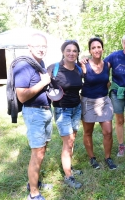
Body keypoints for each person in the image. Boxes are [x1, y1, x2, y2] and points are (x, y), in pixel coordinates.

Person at [13, 33, 51, 200]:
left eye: (44, 46)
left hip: (45, 111)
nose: (41, 49)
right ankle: (34, 194)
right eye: (37, 46)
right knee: (38, 153)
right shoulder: (23, 65)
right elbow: (21, 96)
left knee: (42, 150)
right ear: (29, 47)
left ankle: (34, 183)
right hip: (34, 112)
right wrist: (44, 82)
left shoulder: (39, 63)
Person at [47, 40, 83, 189]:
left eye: (74, 51)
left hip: (77, 108)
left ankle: (69, 167)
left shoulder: (79, 68)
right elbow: (42, 85)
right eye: (68, 50)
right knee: (67, 143)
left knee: (72, 140)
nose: (71, 53)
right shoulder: (54, 68)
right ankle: (68, 176)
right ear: (63, 52)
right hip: (62, 110)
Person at [81, 37, 117, 170]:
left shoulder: (107, 65)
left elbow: (107, 82)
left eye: (99, 47)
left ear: (102, 49)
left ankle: (108, 158)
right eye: (93, 47)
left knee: (108, 132)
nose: (96, 49)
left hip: (104, 101)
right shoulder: (84, 64)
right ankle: (92, 158)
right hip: (88, 101)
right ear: (90, 50)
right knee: (88, 131)